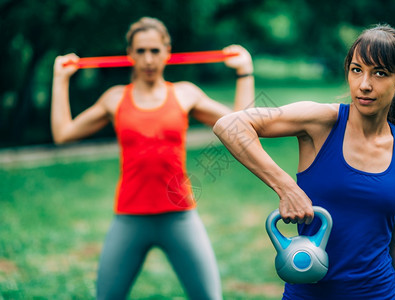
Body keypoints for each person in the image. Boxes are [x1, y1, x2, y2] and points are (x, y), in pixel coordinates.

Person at [213, 24, 395, 299]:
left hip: (379, 293)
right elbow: (230, 125)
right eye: (357, 69)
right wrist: (287, 188)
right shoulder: (321, 123)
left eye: (380, 73)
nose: (364, 85)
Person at [51, 17, 254, 300]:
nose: (148, 59)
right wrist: (60, 80)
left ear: (167, 52)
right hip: (129, 217)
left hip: (179, 216)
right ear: (129, 54)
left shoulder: (184, 94)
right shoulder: (114, 98)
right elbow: (63, 133)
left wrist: (245, 73)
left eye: (155, 51)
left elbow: (241, 124)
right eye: (141, 51)